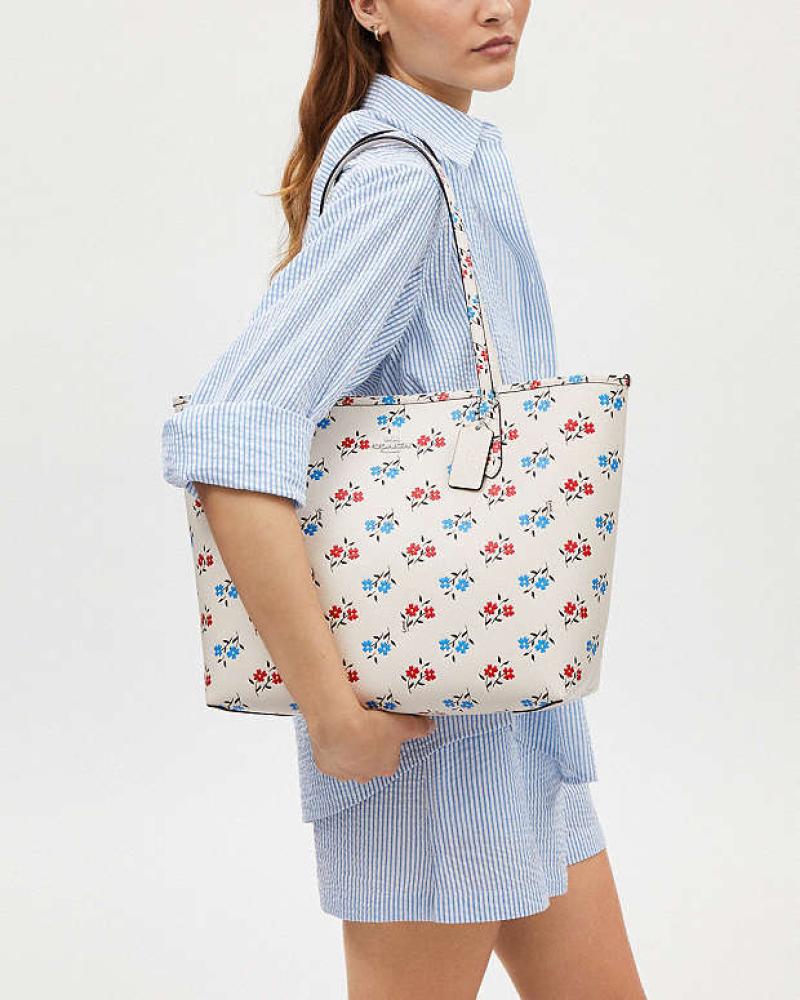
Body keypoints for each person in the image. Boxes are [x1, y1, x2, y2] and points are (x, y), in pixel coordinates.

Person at [161, 2, 647, 997]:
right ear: (368, 8)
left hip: (511, 717)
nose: (495, 6)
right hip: (427, 749)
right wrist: (332, 714)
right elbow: (228, 434)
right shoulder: (400, 179)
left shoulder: (453, 159)